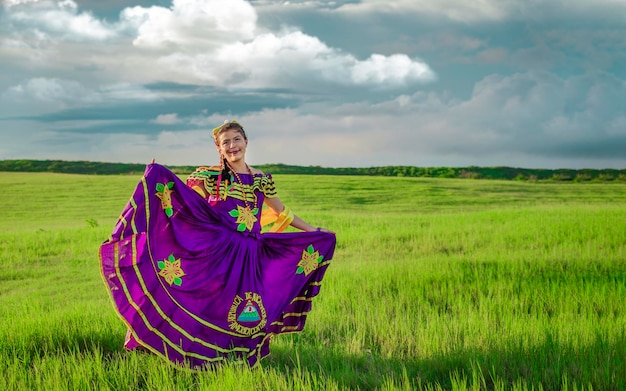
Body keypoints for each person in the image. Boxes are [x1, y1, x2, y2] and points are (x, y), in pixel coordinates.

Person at [99, 120, 336, 368]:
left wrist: (314, 230)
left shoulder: (262, 180)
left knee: (243, 308)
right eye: (226, 143)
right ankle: (162, 345)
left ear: (246, 142)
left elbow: (281, 212)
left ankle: (228, 358)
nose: (232, 146)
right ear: (219, 149)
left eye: (236, 139)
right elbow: (187, 203)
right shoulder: (211, 177)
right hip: (216, 251)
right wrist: (159, 176)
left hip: (249, 255)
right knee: (203, 300)